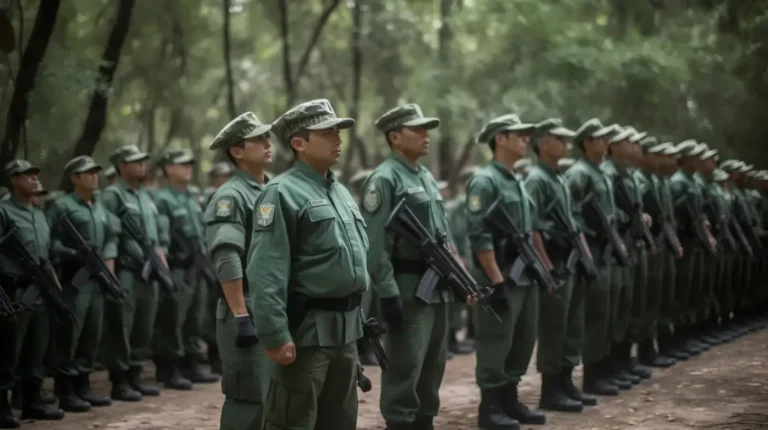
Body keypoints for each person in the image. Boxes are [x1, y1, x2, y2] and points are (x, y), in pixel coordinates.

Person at [246, 99, 369, 430]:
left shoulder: (340, 192)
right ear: (299, 144)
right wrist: (274, 334)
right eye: (327, 134)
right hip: (307, 334)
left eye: (337, 132)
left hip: (345, 332)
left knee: (340, 421)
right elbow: (266, 271)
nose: (337, 140)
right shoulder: (281, 193)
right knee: (294, 420)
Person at [361, 103, 462, 430]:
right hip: (407, 290)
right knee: (405, 368)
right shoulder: (384, 179)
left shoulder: (426, 176)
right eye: (417, 130)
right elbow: (376, 247)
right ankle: (401, 423)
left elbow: (442, 236)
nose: (425, 135)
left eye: (426, 129)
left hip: (435, 290)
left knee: (433, 366)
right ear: (394, 136)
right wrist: (389, 294)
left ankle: (424, 422)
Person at [466, 114, 547, 430]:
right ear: (500, 138)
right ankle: (490, 409)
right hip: (499, 278)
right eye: (519, 134)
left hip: (523, 277)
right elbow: (480, 235)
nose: (526, 139)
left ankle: (509, 400)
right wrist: (497, 281)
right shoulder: (485, 181)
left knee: (522, 341)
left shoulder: (518, 182)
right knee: (496, 341)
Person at [205, 112, 273, 430]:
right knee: (249, 397)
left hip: (275, 307)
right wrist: (241, 316)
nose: (268, 144)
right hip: (247, 307)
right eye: (259, 139)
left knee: (277, 396)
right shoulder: (231, 196)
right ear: (237, 151)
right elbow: (227, 257)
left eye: (268, 137)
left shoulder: (275, 190)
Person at [525, 118, 596, 413]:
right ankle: (550, 389)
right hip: (553, 261)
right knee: (554, 327)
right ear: (542, 144)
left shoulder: (559, 178)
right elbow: (534, 229)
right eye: (559, 139)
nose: (565, 144)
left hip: (570, 261)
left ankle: (565, 381)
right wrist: (546, 268)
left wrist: (586, 258)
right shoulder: (537, 179)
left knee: (571, 324)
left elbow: (575, 224)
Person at [46, 156, 116, 413]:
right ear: (74, 177)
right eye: (87, 173)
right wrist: (73, 253)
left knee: (91, 333)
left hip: (96, 278)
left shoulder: (99, 205)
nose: (94, 176)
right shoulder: (62, 205)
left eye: (96, 172)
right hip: (74, 279)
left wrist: (107, 263)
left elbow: (110, 236)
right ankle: (65, 390)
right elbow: (49, 241)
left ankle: (83, 385)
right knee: (70, 334)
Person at [0, 160, 65, 427]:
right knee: (8, 350)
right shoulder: (3, 212)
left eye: (35, 175)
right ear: (13, 180)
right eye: (27, 175)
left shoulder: (38, 213)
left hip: (41, 289)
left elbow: (45, 256)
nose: (34, 179)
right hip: (15, 289)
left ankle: (31, 401)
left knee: (36, 348)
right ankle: (2, 405)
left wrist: (56, 288)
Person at [101, 145, 168, 402]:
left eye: (143, 161)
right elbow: (109, 236)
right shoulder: (113, 195)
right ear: (121, 166)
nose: (142, 165)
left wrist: (162, 265)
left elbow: (157, 239)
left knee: (144, 323)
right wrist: (111, 272)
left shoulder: (145, 197)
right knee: (123, 324)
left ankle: (136, 376)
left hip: (149, 271)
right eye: (135, 161)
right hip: (127, 269)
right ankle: (120, 380)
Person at [564, 118, 624, 396]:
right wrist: (586, 246)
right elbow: (570, 216)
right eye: (600, 138)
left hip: (605, 249)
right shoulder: (579, 174)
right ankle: (591, 375)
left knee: (605, 312)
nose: (605, 142)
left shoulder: (600, 173)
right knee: (593, 314)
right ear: (587, 142)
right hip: (590, 251)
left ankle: (601, 369)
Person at [153, 149, 220, 390]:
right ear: (168, 168)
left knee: (195, 317)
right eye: (182, 165)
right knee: (173, 319)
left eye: (190, 164)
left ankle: (190, 366)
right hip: (178, 267)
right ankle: (169, 368)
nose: (188, 168)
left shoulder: (192, 198)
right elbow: (160, 238)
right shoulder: (162, 200)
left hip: (197, 267)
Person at [669, 140, 715, 356]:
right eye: (695, 156)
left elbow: (700, 211)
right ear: (686, 159)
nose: (699, 160)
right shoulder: (679, 182)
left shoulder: (692, 181)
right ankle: (677, 339)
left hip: (695, 240)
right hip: (684, 241)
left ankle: (687, 336)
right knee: (681, 292)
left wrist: (704, 225)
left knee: (692, 291)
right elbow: (674, 216)